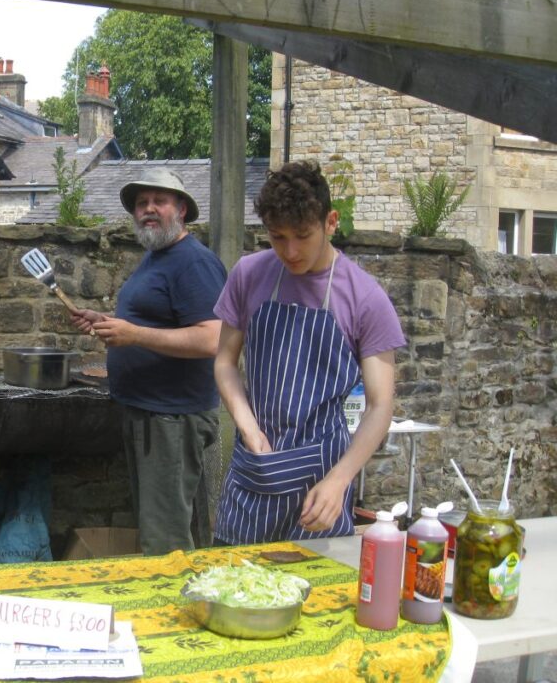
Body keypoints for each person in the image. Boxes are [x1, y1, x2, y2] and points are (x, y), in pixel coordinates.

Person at [212, 160, 405, 545]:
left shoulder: (365, 297)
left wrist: (340, 478)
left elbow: (380, 405)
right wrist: (247, 425)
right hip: (255, 472)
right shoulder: (248, 274)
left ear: (330, 222)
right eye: (277, 237)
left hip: (322, 484)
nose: (291, 250)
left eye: (302, 234)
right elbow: (224, 362)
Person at [70, 168, 226, 555]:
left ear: (182, 209)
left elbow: (214, 338)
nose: (149, 209)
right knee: (157, 530)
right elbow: (148, 320)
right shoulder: (157, 257)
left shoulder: (193, 262)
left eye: (159, 200)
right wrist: (105, 322)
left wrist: (134, 335)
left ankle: (176, 607)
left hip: (172, 420)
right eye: (142, 203)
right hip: (150, 414)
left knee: (166, 540)